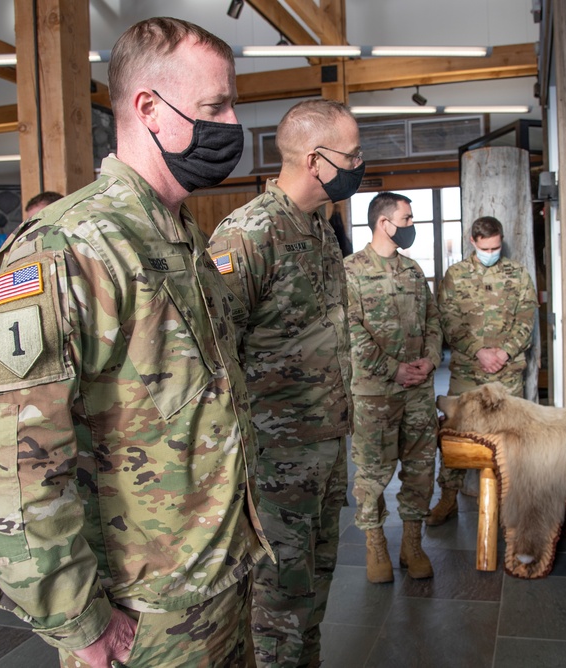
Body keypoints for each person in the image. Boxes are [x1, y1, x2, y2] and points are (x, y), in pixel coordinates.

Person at [0, 18, 270, 668]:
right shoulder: (68, 248)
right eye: (214, 107)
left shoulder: (180, 240)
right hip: (145, 615)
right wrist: (79, 621)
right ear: (148, 107)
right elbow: (1, 465)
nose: (232, 124)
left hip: (218, 583)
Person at [207, 98, 359, 668]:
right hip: (273, 460)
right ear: (318, 159)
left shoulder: (319, 229)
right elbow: (216, 357)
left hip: (322, 445)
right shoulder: (248, 234)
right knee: (276, 605)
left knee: (313, 592)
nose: (359, 162)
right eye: (353, 153)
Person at [345, 192, 442, 584]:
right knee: (372, 473)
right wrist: (392, 369)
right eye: (407, 218)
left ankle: (412, 545)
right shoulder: (350, 270)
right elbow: (350, 331)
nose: (411, 225)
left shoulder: (414, 270)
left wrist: (431, 360)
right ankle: (376, 546)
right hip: (374, 393)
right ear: (384, 223)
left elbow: (434, 319)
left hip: (418, 392)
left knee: (420, 469)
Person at [427, 215, 537, 526]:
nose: (492, 252)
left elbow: (526, 319)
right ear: (473, 242)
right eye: (486, 247)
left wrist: (502, 353)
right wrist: (479, 351)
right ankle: (448, 497)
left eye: (497, 247)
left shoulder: (517, 274)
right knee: (454, 433)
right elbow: (447, 320)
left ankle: (513, 502)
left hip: (506, 372)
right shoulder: (455, 275)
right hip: (468, 370)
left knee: (511, 438)